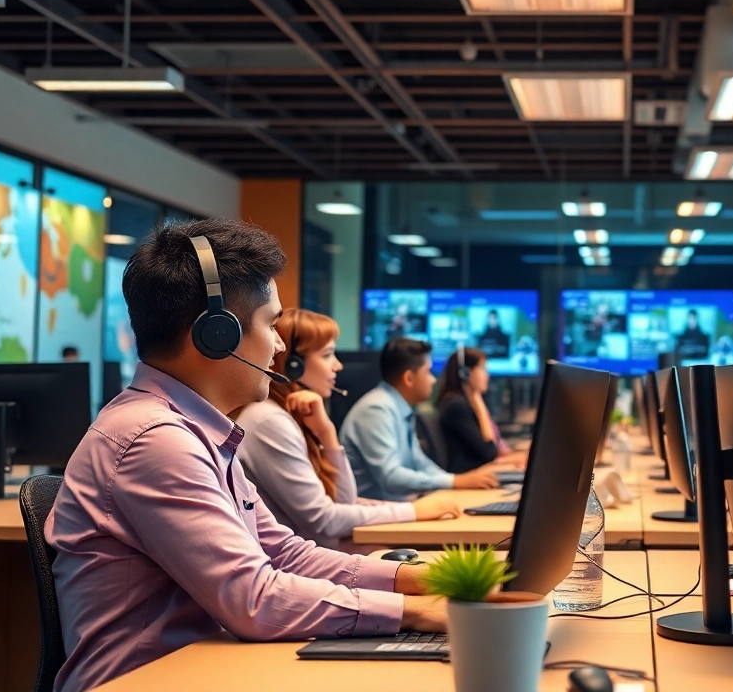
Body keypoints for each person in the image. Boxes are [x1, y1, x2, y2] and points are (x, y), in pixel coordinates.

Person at [45, 220, 446, 692]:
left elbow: (283, 553)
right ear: (218, 334)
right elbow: (252, 597)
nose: (279, 346)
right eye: (272, 323)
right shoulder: (155, 439)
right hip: (148, 680)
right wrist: (413, 612)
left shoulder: (198, 431)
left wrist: (413, 580)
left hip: (208, 668)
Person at [235, 309, 460, 550]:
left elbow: (344, 501)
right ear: (293, 365)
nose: (338, 366)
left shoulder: (294, 418)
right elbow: (325, 521)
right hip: (298, 565)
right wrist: (412, 511)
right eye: (328, 355)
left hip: (318, 553)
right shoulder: (270, 422)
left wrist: (328, 435)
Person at [341, 338, 500, 499]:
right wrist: (454, 481)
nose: (433, 380)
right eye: (428, 372)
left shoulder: (400, 408)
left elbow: (418, 462)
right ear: (409, 378)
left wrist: (454, 481)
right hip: (378, 517)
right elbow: (390, 477)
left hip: (399, 509)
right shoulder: (376, 409)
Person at [437, 347, 525, 473]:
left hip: (480, 472)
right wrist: (480, 405)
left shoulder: (465, 403)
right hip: (470, 478)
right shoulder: (456, 406)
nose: (487, 375)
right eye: (483, 369)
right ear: (466, 373)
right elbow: (489, 452)